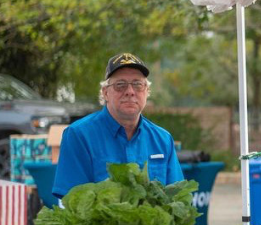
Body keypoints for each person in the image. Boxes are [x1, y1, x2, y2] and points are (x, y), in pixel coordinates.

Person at [53, 52, 183, 198]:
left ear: (147, 91)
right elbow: (74, 203)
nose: (130, 92)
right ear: (105, 93)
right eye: (120, 85)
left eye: (137, 84)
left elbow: (178, 198)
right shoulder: (78, 135)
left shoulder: (163, 140)